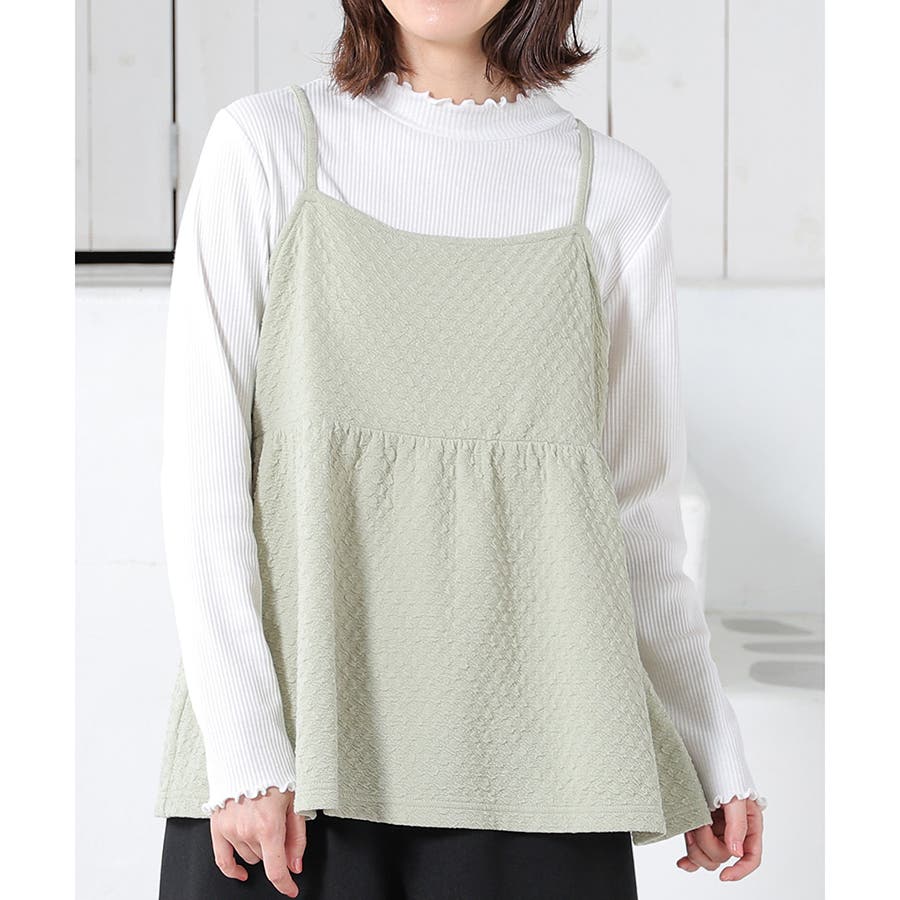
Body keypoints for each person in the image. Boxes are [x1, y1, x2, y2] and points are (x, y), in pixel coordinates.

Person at [154, 1, 766, 897]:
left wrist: (709, 742)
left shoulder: (614, 193)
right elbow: (202, 478)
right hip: (293, 763)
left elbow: (639, 513)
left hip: (546, 768)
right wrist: (243, 747)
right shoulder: (266, 147)